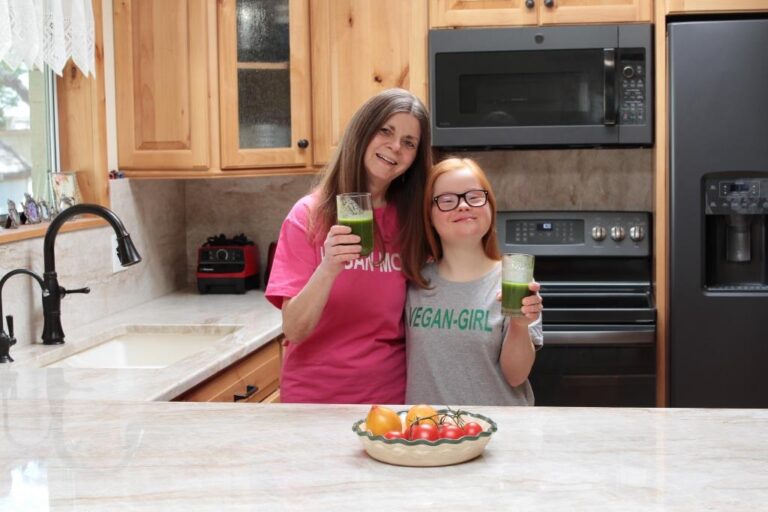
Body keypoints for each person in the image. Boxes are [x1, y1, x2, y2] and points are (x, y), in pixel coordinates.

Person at [265, 88, 433, 404]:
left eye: (409, 143)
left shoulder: (413, 221)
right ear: (362, 131)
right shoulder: (308, 215)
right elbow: (294, 330)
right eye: (386, 131)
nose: (396, 147)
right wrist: (328, 267)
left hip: (387, 400)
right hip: (313, 400)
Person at [405, 157, 544, 406]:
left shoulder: (514, 280)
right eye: (447, 200)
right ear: (430, 216)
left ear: (490, 206)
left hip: (498, 427)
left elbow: (516, 376)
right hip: (430, 429)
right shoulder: (414, 282)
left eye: (474, 197)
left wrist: (520, 326)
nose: (463, 206)